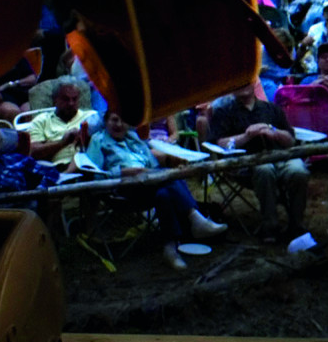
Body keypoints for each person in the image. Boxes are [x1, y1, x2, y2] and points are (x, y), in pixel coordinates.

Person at [83, 111, 227, 269]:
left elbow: (153, 165)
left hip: (149, 184)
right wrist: (124, 172)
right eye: (114, 120)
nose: (119, 125)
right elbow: (95, 176)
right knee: (168, 179)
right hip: (122, 189)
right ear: (106, 121)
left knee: (163, 193)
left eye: (123, 121)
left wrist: (153, 170)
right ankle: (195, 219)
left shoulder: (134, 138)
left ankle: (170, 248)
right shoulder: (99, 140)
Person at [205, 84, 308, 244]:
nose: (243, 86)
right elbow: (220, 143)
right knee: (264, 170)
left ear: (254, 85)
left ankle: (297, 225)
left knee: (299, 170)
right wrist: (247, 136)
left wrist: (275, 133)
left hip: (279, 155)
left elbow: (290, 139)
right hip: (245, 162)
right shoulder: (224, 111)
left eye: (247, 81)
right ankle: (270, 226)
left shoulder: (271, 109)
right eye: (239, 82)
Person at [22, 80, 97, 164]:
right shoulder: (41, 121)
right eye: (66, 99)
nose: (71, 103)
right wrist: (62, 143)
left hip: (89, 166)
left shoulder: (91, 117)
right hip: (55, 169)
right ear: (55, 100)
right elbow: (32, 152)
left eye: (74, 99)